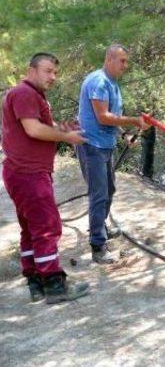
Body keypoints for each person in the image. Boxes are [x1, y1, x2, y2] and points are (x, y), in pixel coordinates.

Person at [1, 52, 90, 304]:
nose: (53, 77)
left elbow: (36, 129)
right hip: (28, 173)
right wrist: (66, 137)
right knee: (48, 227)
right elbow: (33, 129)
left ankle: (35, 282)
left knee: (31, 229)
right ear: (31, 70)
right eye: (48, 71)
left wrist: (60, 130)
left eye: (55, 72)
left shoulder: (29, 95)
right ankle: (54, 285)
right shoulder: (25, 93)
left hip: (23, 172)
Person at [76, 44, 149, 264]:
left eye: (126, 61)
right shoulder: (98, 82)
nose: (125, 65)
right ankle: (98, 246)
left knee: (110, 189)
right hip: (92, 146)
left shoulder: (112, 84)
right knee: (99, 194)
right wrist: (135, 120)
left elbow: (113, 116)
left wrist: (125, 132)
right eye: (122, 61)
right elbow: (103, 117)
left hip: (105, 145)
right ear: (109, 59)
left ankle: (100, 228)